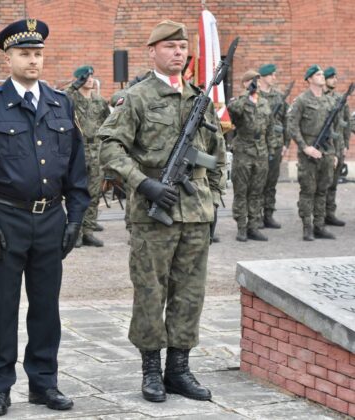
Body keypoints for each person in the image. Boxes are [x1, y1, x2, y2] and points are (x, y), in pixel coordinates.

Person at [0, 18, 90, 416]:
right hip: (7, 218)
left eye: (38, 54)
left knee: (46, 307)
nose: (33, 61)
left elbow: (78, 170)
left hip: (50, 218)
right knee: (2, 306)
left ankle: (43, 383)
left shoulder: (60, 102)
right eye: (25, 54)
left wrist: (74, 219)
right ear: (8, 57)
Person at [98, 20, 226, 403]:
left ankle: (179, 370)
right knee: (151, 293)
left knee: (189, 294)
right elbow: (108, 147)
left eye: (182, 47)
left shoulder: (199, 97)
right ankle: (151, 370)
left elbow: (217, 154)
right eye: (170, 46)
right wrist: (143, 182)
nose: (178, 52)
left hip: (195, 212)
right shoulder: (135, 97)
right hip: (152, 213)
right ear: (152, 51)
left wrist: (213, 197)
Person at [287, 65, 338, 241]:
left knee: (323, 190)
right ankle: (307, 227)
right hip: (309, 152)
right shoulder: (301, 100)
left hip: (326, 152)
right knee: (308, 190)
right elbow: (292, 127)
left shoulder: (329, 101)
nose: (322, 77)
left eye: (323, 74)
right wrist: (305, 147)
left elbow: (332, 130)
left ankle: (319, 225)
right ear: (309, 79)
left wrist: (334, 154)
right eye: (318, 74)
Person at [65, 65, 110, 247]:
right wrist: (75, 85)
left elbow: (109, 123)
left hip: (95, 149)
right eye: (85, 77)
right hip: (78, 150)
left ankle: (88, 231)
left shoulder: (99, 102)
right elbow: (61, 97)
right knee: (76, 191)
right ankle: (75, 231)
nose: (90, 80)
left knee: (94, 193)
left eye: (91, 76)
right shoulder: (71, 98)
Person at [228, 70, 274, 242]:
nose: (257, 84)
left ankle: (253, 226)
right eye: (253, 81)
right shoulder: (239, 101)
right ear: (245, 83)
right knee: (241, 191)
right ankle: (241, 227)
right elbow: (232, 111)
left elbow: (270, 127)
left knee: (257, 192)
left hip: (261, 152)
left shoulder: (264, 103)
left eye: (258, 80)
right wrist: (247, 94)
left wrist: (272, 148)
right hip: (243, 152)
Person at [258, 63, 288, 229]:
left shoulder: (279, 97)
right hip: (259, 145)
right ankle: (255, 216)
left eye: (274, 75)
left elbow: (285, 121)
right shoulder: (255, 96)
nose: (274, 77)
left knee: (271, 182)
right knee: (257, 183)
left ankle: (268, 215)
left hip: (275, 145)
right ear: (262, 77)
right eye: (271, 75)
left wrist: (286, 142)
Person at [323, 66, 350, 227]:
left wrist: (346, 144)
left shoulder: (341, 99)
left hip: (339, 147)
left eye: (336, 77)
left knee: (333, 184)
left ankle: (330, 214)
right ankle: (318, 215)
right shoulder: (320, 98)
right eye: (331, 77)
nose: (335, 80)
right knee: (322, 184)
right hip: (326, 148)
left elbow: (346, 123)